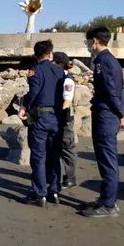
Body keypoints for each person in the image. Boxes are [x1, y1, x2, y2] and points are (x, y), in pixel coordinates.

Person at [79, 27, 124, 218]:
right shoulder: (110, 60)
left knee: (107, 160)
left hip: (106, 116)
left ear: (94, 41)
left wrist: (121, 114)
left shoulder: (103, 61)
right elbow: (119, 90)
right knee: (105, 159)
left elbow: (111, 91)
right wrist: (122, 113)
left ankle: (109, 204)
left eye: (88, 41)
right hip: (109, 114)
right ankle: (106, 198)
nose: (87, 45)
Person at [18, 40, 65, 207]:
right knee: (54, 156)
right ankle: (54, 190)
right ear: (50, 54)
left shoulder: (35, 71)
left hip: (40, 118)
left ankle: (40, 194)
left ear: (35, 55)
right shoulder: (60, 71)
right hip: (58, 118)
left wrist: (24, 106)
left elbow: (34, 92)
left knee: (38, 156)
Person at [52, 52, 77, 188]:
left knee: (67, 148)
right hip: (57, 117)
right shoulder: (58, 77)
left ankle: (70, 177)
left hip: (65, 118)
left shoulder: (67, 79)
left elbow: (67, 100)